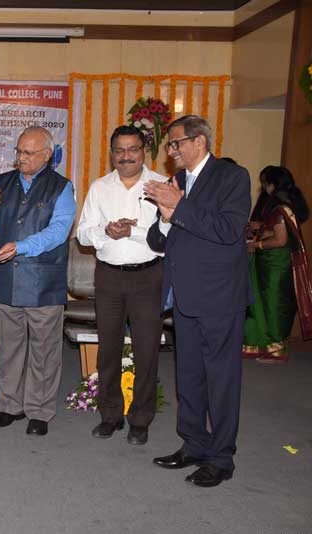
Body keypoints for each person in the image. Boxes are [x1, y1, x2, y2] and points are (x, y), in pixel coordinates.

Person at [145, 114, 251, 488]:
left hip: (220, 297)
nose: (171, 151)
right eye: (170, 145)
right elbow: (158, 241)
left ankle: (221, 458)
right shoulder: (177, 181)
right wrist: (165, 217)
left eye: (175, 143)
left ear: (199, 142)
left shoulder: (232, 177)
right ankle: (194, 445)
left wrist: (180, 207)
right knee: (188, 377)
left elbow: (228, 230)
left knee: (221, 380)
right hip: (184, 296)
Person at [76, 125, 168, 445]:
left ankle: (140, 419)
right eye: (119, 150)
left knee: (146, 349)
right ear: (112, 153)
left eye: (132, 149)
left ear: (144, 151)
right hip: (109, 278)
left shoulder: (162, 186)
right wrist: (106, 230)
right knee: (108, 349)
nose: (126, 156)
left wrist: (133, 232)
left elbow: (170, 234)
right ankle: (110, 415)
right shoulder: (100, 187)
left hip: (149, 277)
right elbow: (82, 234)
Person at [0, 126, 76, 437]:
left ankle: (39, 410)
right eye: (18, 151)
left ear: (47, 155)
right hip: (6, 278)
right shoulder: (2, 182)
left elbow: (59, 231)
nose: (21, 157)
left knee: (44, 350)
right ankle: (11, 405)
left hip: (43, 281)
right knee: (9, 348)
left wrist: (21, 246)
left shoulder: (62, 187)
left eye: (28, 152)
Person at [243, 166, 310, 363]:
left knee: (274, 306)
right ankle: (264, 346)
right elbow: (276, 231)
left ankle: (276, 351)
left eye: (265, 183)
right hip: (271, 264)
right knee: (264, 305)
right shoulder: (285, 205)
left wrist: (256, 245)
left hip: (276, 266)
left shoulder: (280, 208)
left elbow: (280, 240)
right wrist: (260, 228)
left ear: (273, 185)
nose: (264, 187)